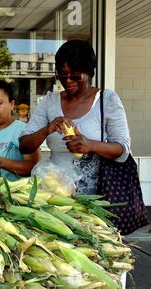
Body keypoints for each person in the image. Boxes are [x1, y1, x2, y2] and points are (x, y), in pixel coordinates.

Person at [19, 40, 131, 194]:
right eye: (62, 76)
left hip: (96, 197)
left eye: (76, 76)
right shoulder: (49, 101)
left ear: (90, 72)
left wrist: (90, 145)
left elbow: (123, 149)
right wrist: (47, 129)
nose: (68, 81)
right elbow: (24, 146)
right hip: (54, 196)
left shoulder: (107, 100)